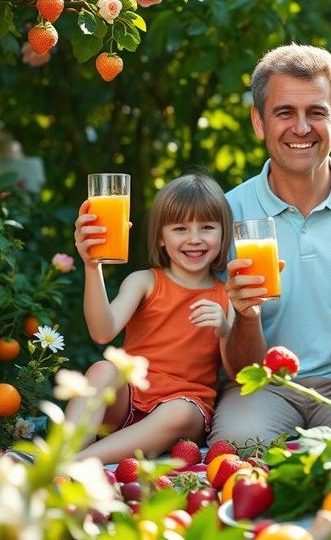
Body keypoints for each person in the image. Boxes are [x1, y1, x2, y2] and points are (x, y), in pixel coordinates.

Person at [212, 44, 331, 444]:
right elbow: (235, 364)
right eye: (285, 113)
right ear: (259, 121)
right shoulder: (224, 215)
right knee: (237, 449)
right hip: (262, 384)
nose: (301, 128)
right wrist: (246, 315)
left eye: (316, 112)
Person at [69, 174, 234, 464]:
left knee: (179, 411)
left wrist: (224, 329)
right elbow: (102, 332)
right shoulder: (144, 281)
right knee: (102, 370)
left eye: (207, 228)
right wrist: (91, 265)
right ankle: (64, 452)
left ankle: (76, 463)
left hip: (184, 411)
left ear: (223, 234)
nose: (194, 239)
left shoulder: (227, 296)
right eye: (180, 228)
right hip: (130, 400)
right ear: (160, 236)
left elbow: (235, 370)